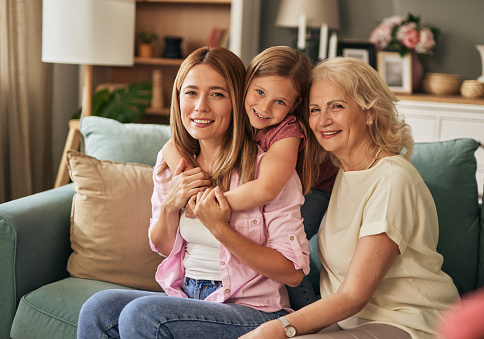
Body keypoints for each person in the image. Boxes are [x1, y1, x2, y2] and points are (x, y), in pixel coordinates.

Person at [77, 46, 310, 339]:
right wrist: (171, 205)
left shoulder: (268, 173)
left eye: (217, 94)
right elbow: (163, 246)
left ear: (237, 100)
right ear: (178, 99)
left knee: (145, 316)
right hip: (188, 299)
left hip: (254, 312)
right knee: (99, 308)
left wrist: (221, 229)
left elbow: (292, 272)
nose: (201, 106)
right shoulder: (172, 164)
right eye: (191, 93)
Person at [240, 57, 460, 339]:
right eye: (315, 109)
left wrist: (276, 330)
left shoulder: (392, 179)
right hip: (352, 321)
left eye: (337, 106)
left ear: (370, 112)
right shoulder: (342, 172)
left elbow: (355, 295)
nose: (323, 120)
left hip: (408, 322)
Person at [163, 46, 338, 240]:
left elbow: (266, 188)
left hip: (317, 188)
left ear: (295, 104)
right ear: (245, 85)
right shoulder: (238, 112)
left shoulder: (289, 132)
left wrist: (206, 204)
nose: (264, 107)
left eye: (279, 101)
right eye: (260, 92)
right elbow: (170, 147)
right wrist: (190, 180)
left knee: (287, 251)